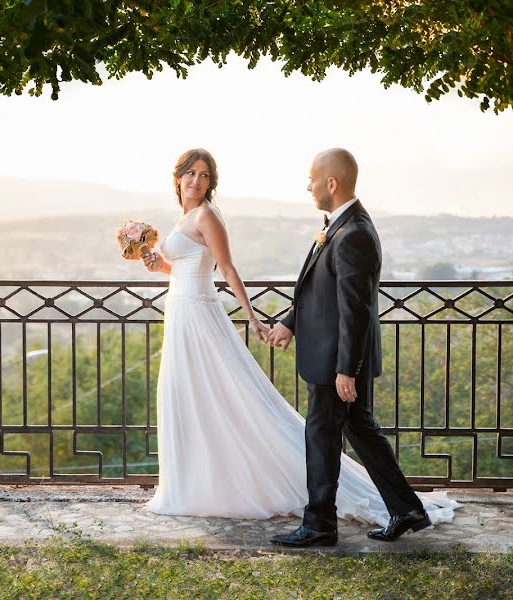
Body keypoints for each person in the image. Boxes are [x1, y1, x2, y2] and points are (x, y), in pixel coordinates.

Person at [142, 148, 457, 540]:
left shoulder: (354, 233)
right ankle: (405, 509)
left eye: (312, 180)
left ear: (331, 183)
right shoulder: (340, 226)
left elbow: (354, 310)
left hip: (337, 360)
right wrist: (290, 324)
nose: (307, 187)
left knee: (323, 436)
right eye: (190, 173)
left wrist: (346, 369)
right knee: (357, 430)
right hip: (331, 355)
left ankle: (320, 525)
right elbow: (318, 291)